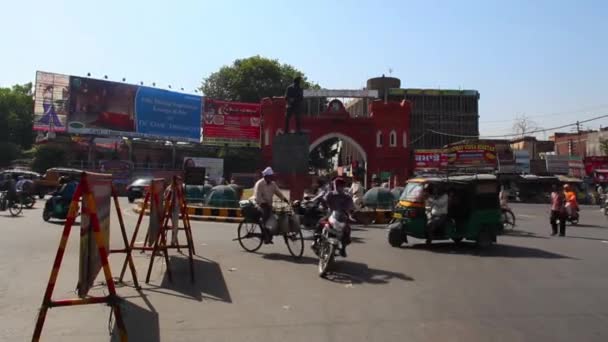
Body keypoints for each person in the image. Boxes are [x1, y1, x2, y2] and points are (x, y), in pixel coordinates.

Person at [251, 167, 289, 243]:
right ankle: (265, 235)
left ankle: (271, 232)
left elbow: (279, 193)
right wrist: (264, 204)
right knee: (265, 216)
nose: (271, 178)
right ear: (265, 176)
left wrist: (286, 200)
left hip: (269, 204)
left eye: (272, 176)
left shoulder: (273, 184)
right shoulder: (259, 184)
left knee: (279, 215)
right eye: (270, 176)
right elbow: (258, 197)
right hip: (259, 204)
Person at [323, 177, 355, 257]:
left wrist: (351, 215)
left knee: (347, 230)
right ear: (334, 186)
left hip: (342, 217)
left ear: (343, 187)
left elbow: (351, 208)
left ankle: (343, 249)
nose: (339, 187)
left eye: (341, 186)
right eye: (337, 185)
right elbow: (324, 201)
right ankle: (317, 239)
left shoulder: (347, 197)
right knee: (320, 222)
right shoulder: (330, 194)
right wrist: (324, 206)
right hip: (330, 214)